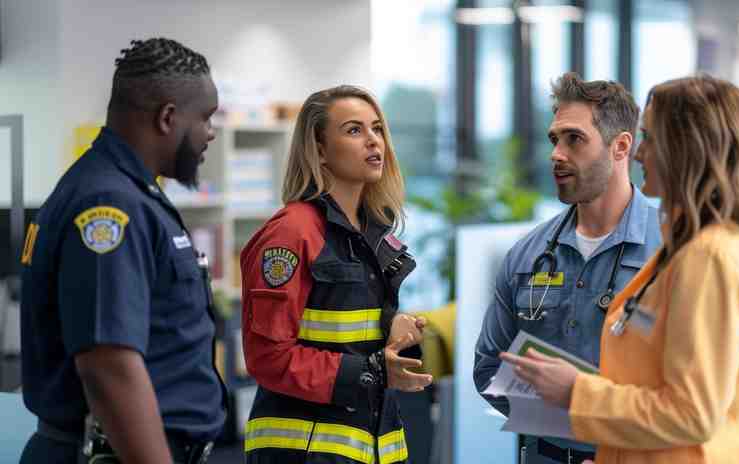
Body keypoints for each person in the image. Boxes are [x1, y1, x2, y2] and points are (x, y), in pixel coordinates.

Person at [502, 75, 739, 463]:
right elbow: (656, 395)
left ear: (686, 148)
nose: (638, 153)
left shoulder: (711, 257)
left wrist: (576, 392)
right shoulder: (684, 251)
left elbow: (691, 415)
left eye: (649, 138)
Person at [18, 38, 226, 464]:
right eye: (205, 118)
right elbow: (108, 366)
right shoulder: (109, 205)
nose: (211, 132)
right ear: (168, 117)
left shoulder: (127, 192)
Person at [474, 72, 662, 463]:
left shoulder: (673, 251)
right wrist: (558, 421)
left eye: (574, 139)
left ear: (621, 147)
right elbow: (489, 367)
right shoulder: (527, 256)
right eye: (554, 139)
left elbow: (694, 387)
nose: (556, 154)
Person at [239, 85, 432, 464]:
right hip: (304, 452)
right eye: (354, 130)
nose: (374, 141)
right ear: (320, 149)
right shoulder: (291, 233)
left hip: (370, 449)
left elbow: (344, 327)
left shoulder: (373, 231)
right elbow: (268, 358)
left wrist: (393, 326)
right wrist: (374, 371)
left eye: (377, 128)